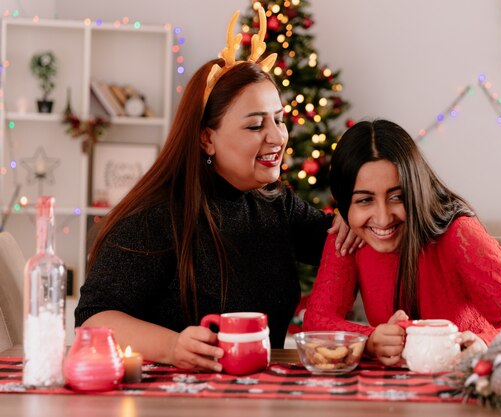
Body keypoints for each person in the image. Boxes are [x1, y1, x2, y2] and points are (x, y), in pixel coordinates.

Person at [75, 8, 356, 372]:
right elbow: (93, 319)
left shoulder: (276, 204)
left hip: (260, 396)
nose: (277, 137)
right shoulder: (156, 216)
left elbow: (347, 241)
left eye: (279, 119)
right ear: (207, 138)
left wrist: (357, 216)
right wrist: (173, 345)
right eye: (255, 126)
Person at [303, 119, 501, 366]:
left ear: (416, 188)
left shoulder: (459, 234)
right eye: (364, 200)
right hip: (393, 395)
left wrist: (485, 344)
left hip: (464, 381)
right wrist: (369, 340)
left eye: (397, 196)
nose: (383, 217)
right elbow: (316, 323)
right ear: (344, 204)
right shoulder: (350, 233)